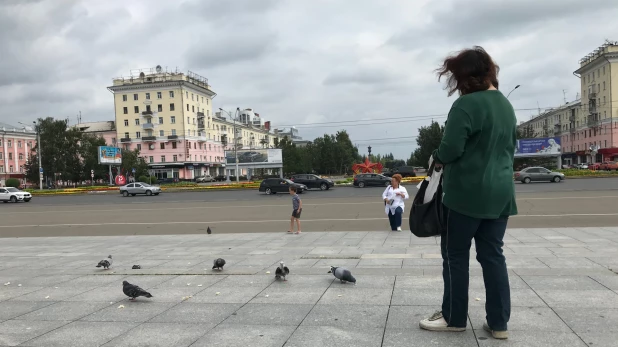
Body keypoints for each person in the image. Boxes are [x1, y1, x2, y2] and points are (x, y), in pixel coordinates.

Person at [418, 46, 517, 340]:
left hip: (465, 195)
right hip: (501, 193)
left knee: (455, 255)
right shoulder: (504, 103)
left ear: (464, 77)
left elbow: (450, 150)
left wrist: (435, 154)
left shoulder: (466, 105)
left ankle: (454, 317)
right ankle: (499, 323)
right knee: (493, 257)